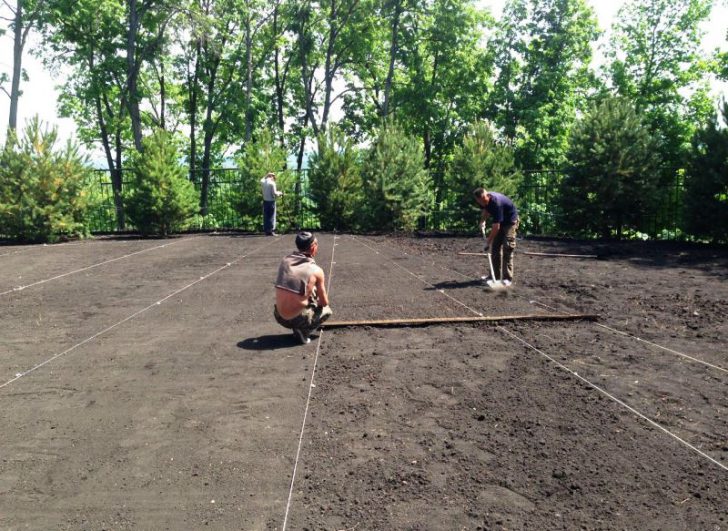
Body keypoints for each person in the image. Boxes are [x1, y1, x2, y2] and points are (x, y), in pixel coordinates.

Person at [274, 232, 333, 344]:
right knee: (327, 310)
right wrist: (316, 303)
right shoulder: (316, 270)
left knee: (307, 291)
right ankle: (303, 331)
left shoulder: (285, 261)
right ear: (313, 247)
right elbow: (324, 302)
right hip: (296, 318)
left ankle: (297, 322)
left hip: (279, 315)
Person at [473, 187, 520, 285]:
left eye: (484, 201)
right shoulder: (483, 201)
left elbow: (496, 227)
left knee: (507, 247)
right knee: (495, 248)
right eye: (480, 202)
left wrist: (487, 242)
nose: (482, 204)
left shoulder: (496, 203)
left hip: (510, 222)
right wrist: (482, 221)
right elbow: (486, 210)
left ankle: (507, 279)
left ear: (487, 195)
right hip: (501, 222)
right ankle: (494, 276)